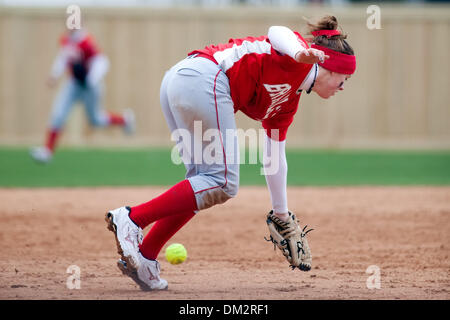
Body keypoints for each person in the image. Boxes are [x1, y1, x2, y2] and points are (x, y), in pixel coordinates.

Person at [105, 15, 355, 290]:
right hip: (204, 76)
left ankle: (145, 257)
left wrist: (281, 213)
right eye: (345, 77)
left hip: (183, 81)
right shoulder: (296, 55)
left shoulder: (287, 102)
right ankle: (132, 218)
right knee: (222, 182)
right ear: (329, 68)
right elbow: (276, 30)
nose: (344, 87)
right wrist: (299, 52)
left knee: (203, 182)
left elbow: (274, 157)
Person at [30, 28, 135, 163]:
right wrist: (54, 75)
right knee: (58, 114)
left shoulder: (86, 42)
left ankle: (124, 120)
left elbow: (102, 61)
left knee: (95, 119)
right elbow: (62, 59)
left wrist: (92, 79)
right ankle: (47, 151)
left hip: (90, 85)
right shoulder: (66, 40)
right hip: (73, 83)